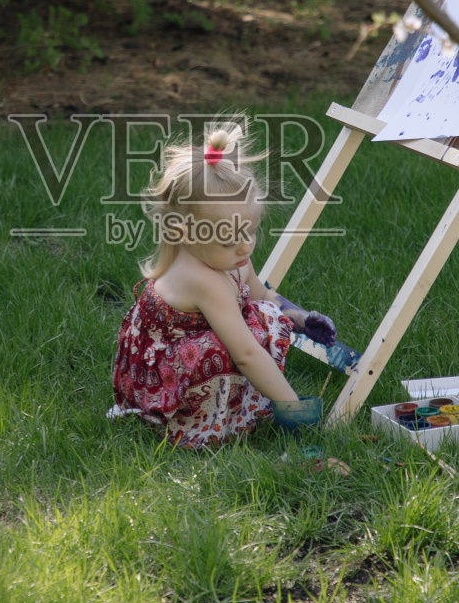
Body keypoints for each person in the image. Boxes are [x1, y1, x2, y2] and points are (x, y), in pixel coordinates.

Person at [108, 121, 337, 449]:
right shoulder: (203, 278)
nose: (245, 246)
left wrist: (300, 318)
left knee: (266, 315)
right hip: (163, 381)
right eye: (230, 239)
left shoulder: (228, 256)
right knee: (247, 337)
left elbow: (259, 292)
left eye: (251, 232)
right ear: (186, 233)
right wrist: (293, 407)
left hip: (178, 360)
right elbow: (245, 354)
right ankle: (195, 428)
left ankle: (239, 408)